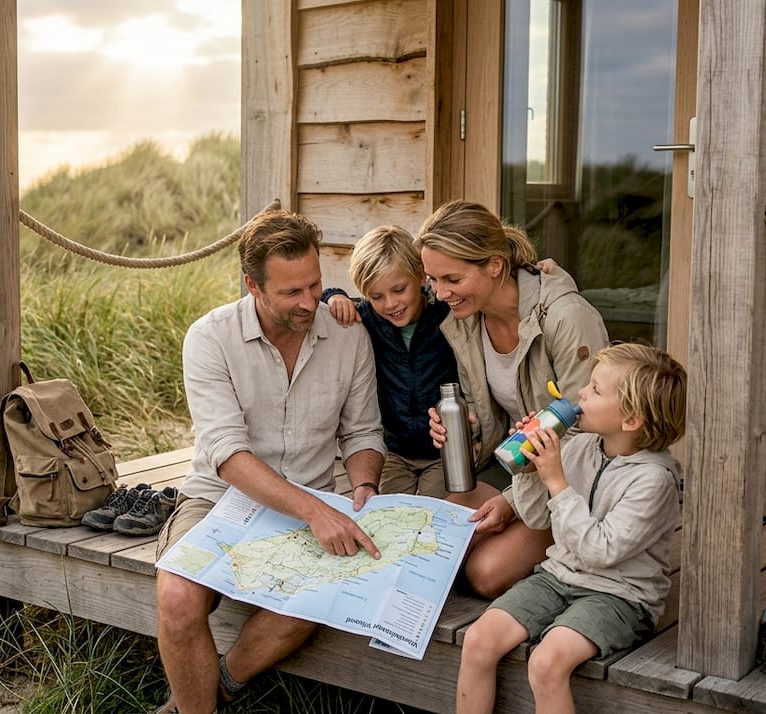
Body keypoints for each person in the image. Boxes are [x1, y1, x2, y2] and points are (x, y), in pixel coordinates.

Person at [153, 209, 386, 714]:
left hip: (318, 493)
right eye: (291, 293)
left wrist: (363, 485)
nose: (310, 303)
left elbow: (363, 432)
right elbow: (227, 455)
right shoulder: (209, 338)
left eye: (315, 285)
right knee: (176, 598)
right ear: (252, 286)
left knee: (323, 590)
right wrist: (314, 512)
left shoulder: (348, 336)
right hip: (220, 497)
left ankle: (216, 691)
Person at [454, 343, 686, 714]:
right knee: (479, 639)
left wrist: (557, 482)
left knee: (546, 663)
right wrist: (530, 472)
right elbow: (536, 517)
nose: (581, 393)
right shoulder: (581, 447)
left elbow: (600, 551)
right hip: (556, 576)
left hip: (618, 595)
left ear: (631, 421)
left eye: (595, 390)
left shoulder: (653, 480)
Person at [417, 200, 609, 599]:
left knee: (485, 574)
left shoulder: (566, 317)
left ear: (494, 265)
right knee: (432, 550)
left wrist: (511, 503)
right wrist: (465, 429)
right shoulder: (465, 319)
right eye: (433, 279)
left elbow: (591, 434)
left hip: (572, 481)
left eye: (451, 278)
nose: (439, 293)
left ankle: (569, 569)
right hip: (514, 467)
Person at [322, 225, 458, 498]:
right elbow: (328, 302)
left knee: (430, 514)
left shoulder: (445, 314)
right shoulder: (367, 320)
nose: (390, 304)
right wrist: (333, 296)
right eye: (376, 296)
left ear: (421, 276)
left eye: (399, 289)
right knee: (389, 514)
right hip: (393, 451)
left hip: (441, 452)